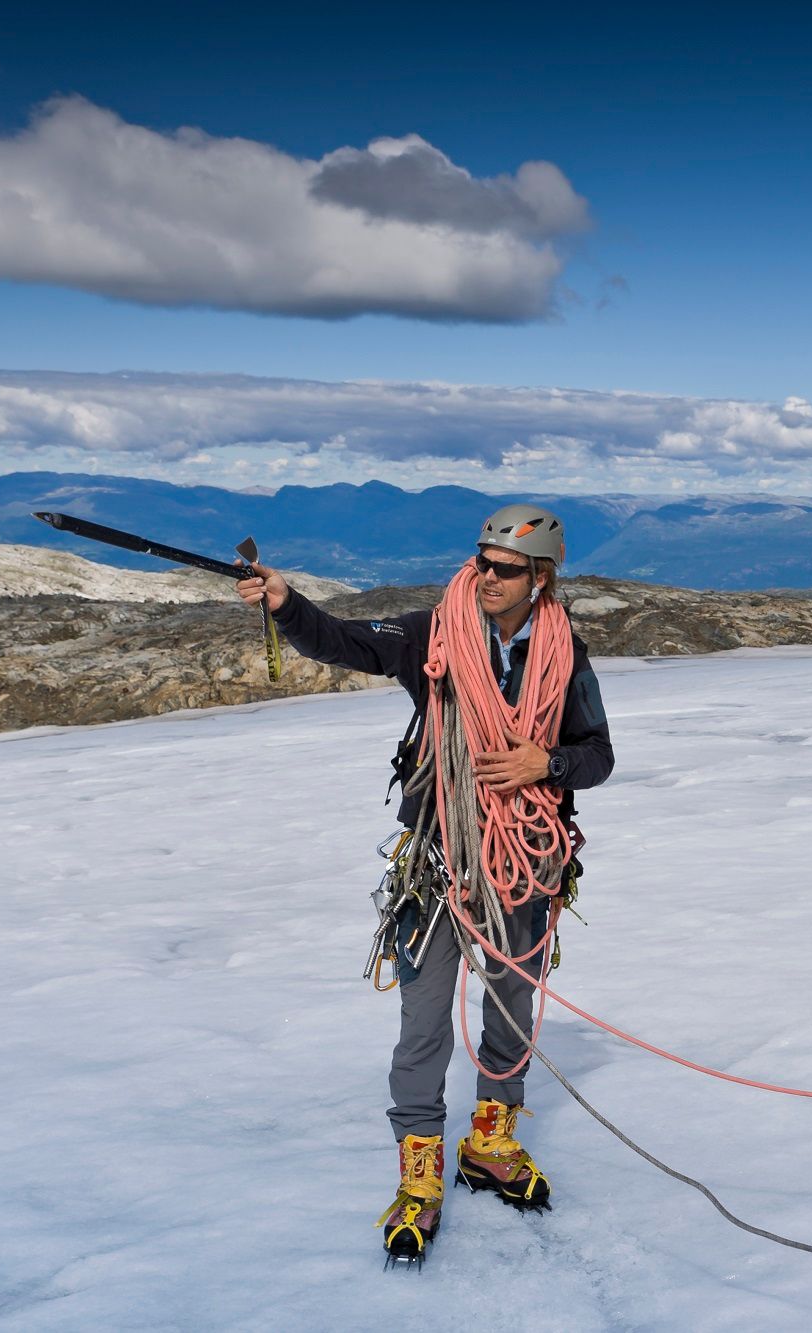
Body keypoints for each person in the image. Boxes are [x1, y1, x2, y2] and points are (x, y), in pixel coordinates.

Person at [236, 504, 615, 1265]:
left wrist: (549, 765)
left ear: (542, 578)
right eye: (480, 560)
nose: (486, 577)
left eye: (505, 568)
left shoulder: (563, 652)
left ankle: (492, 1141)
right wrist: (286, 603)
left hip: (524, 861)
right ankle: (420, 1170)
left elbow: (598, 753)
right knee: (424, 1019)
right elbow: (348, 642)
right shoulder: (432, 635)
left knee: (512, 1005)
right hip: (440, 862)